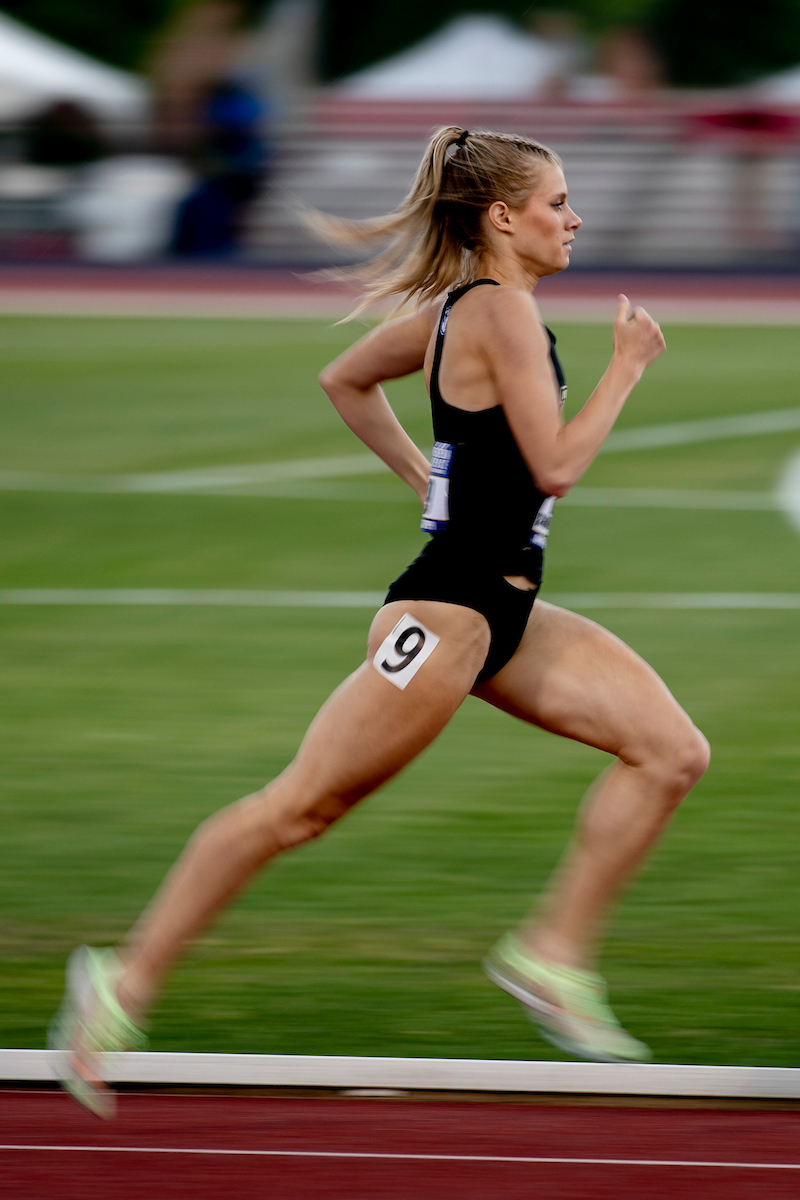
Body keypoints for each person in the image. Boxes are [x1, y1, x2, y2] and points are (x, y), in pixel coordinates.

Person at [49, 126, 709, 1117]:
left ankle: (551, 957)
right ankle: (121, 980)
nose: (572, 218)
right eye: (556, 202)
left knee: (668, 751)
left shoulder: (463, 313)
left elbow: (344, 381)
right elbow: (557, 467)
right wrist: (626, 366)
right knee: (300, 809)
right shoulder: (500, 319)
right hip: (446, 616)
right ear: (501, 217)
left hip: (504, 612)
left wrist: (423, 478)